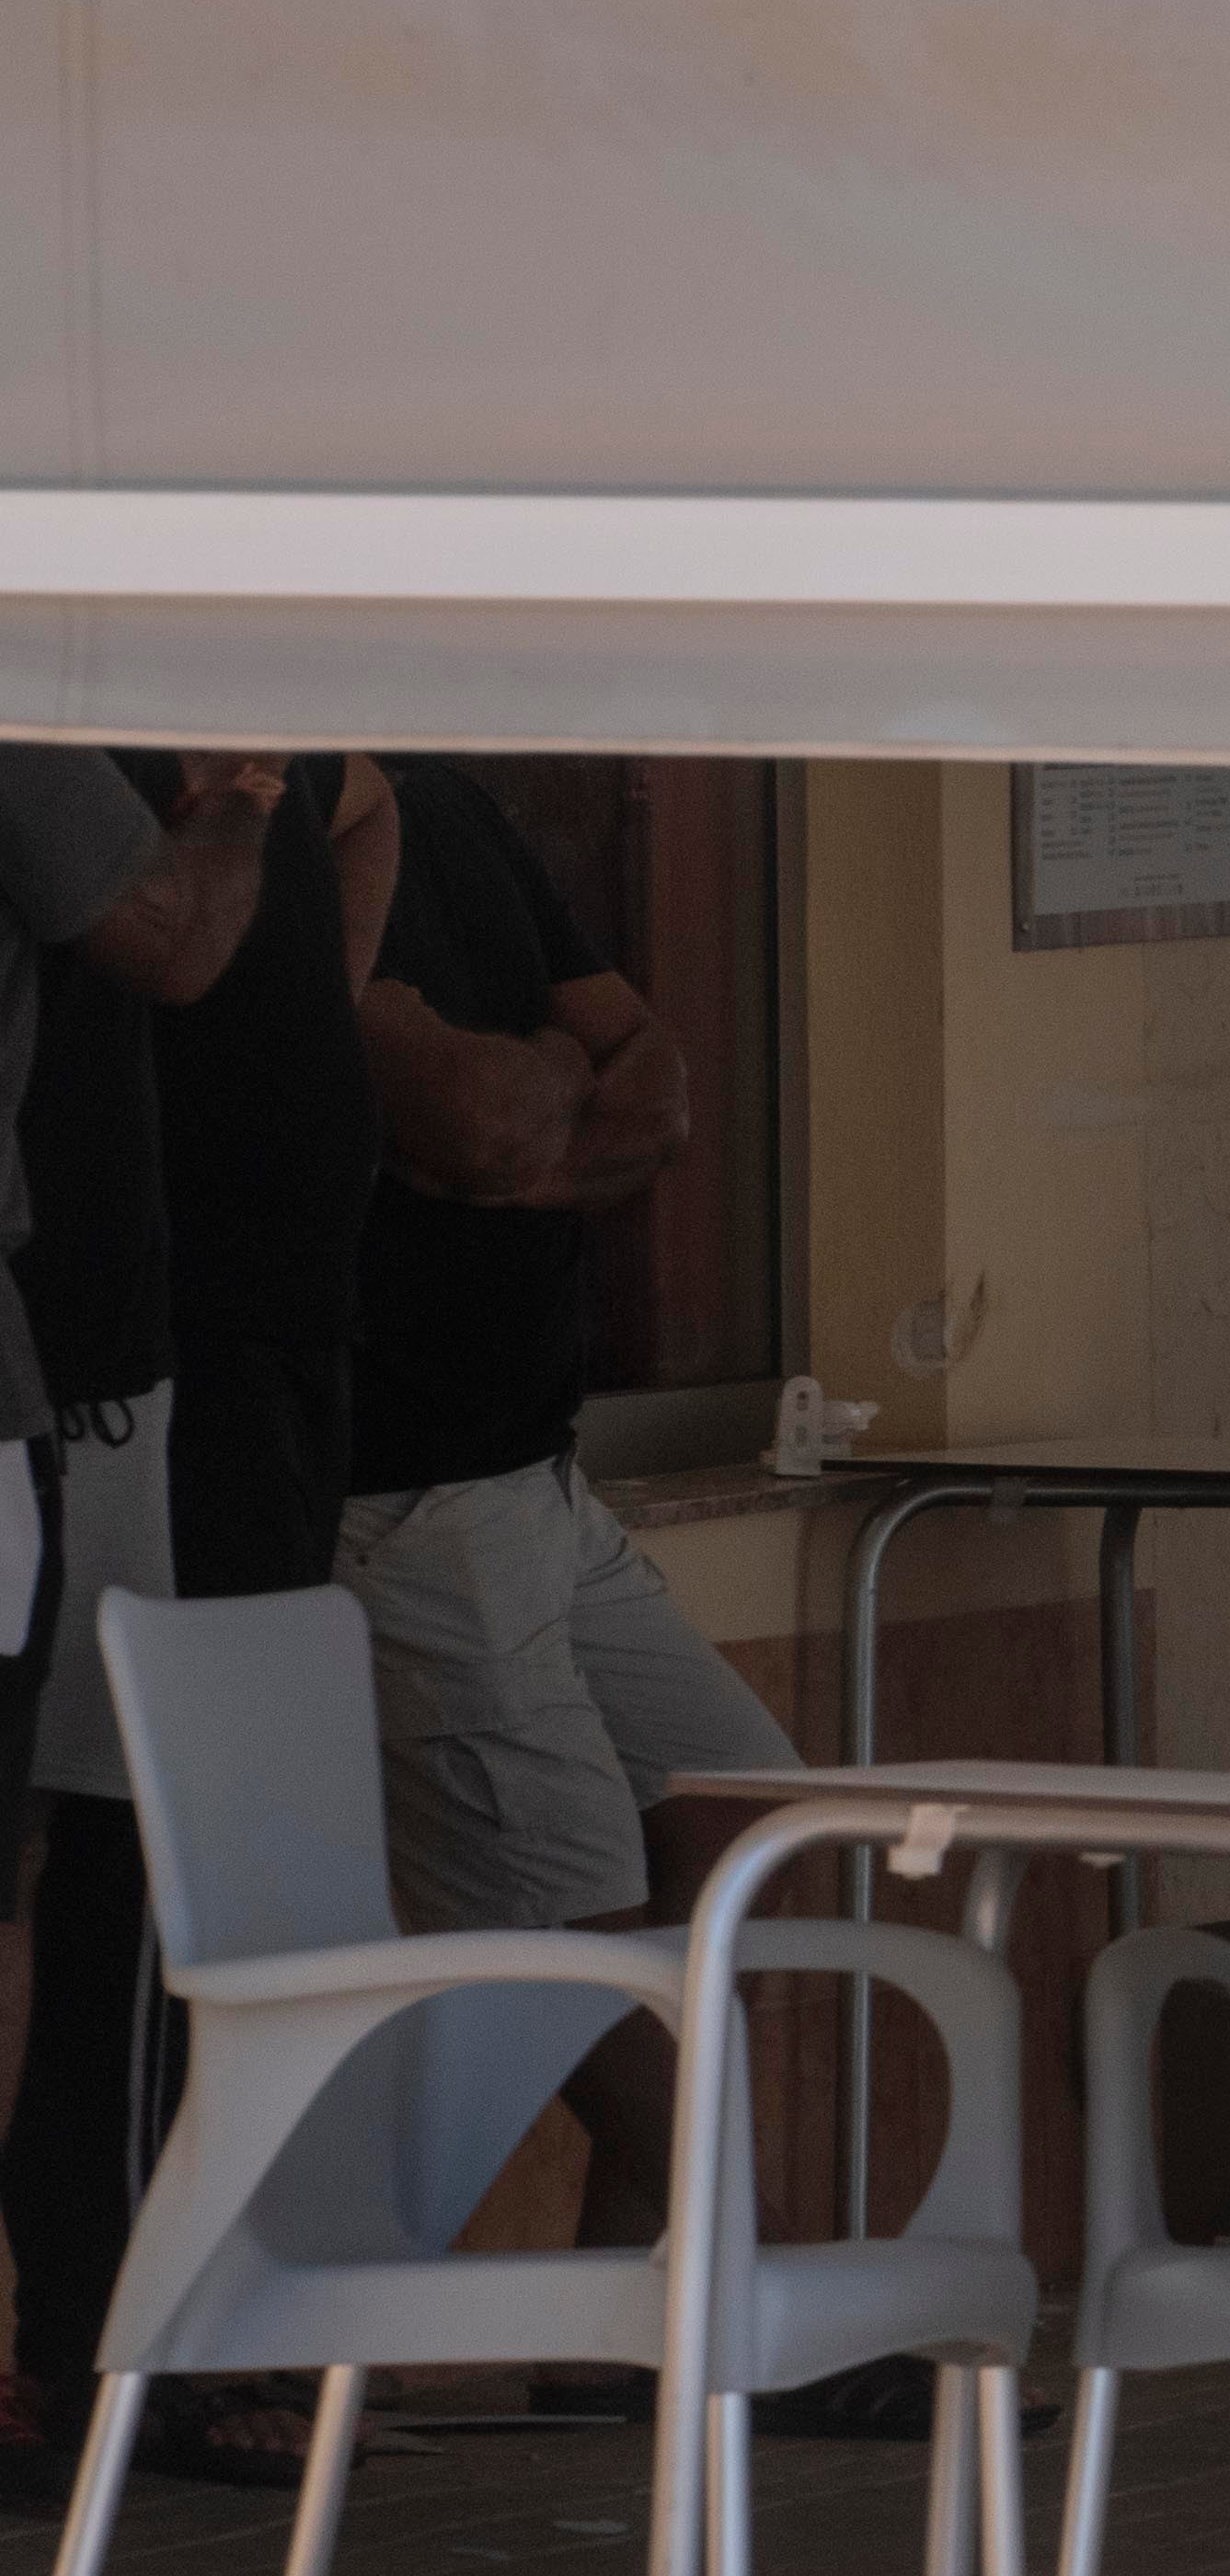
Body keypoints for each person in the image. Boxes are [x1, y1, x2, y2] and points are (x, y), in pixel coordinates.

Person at [0, 750, 305, 2494]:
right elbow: (176, 937)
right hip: (51, 1376)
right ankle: (72, 2345)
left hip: (89, 1374)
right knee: (32, 1878)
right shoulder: (37, 709)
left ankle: (77, 2342)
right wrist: (245, 793)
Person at [339, 763, 757, 2020]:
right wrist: (557, 1073)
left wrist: (544, 1096)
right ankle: (734, 2216)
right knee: (577, 1943)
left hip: (542, 1475)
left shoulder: (451, 806)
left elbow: (659, 1081)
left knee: (751, 1817)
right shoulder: (300, 827)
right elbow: (474, 1116)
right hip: (406, 1494)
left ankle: (658, 2215)